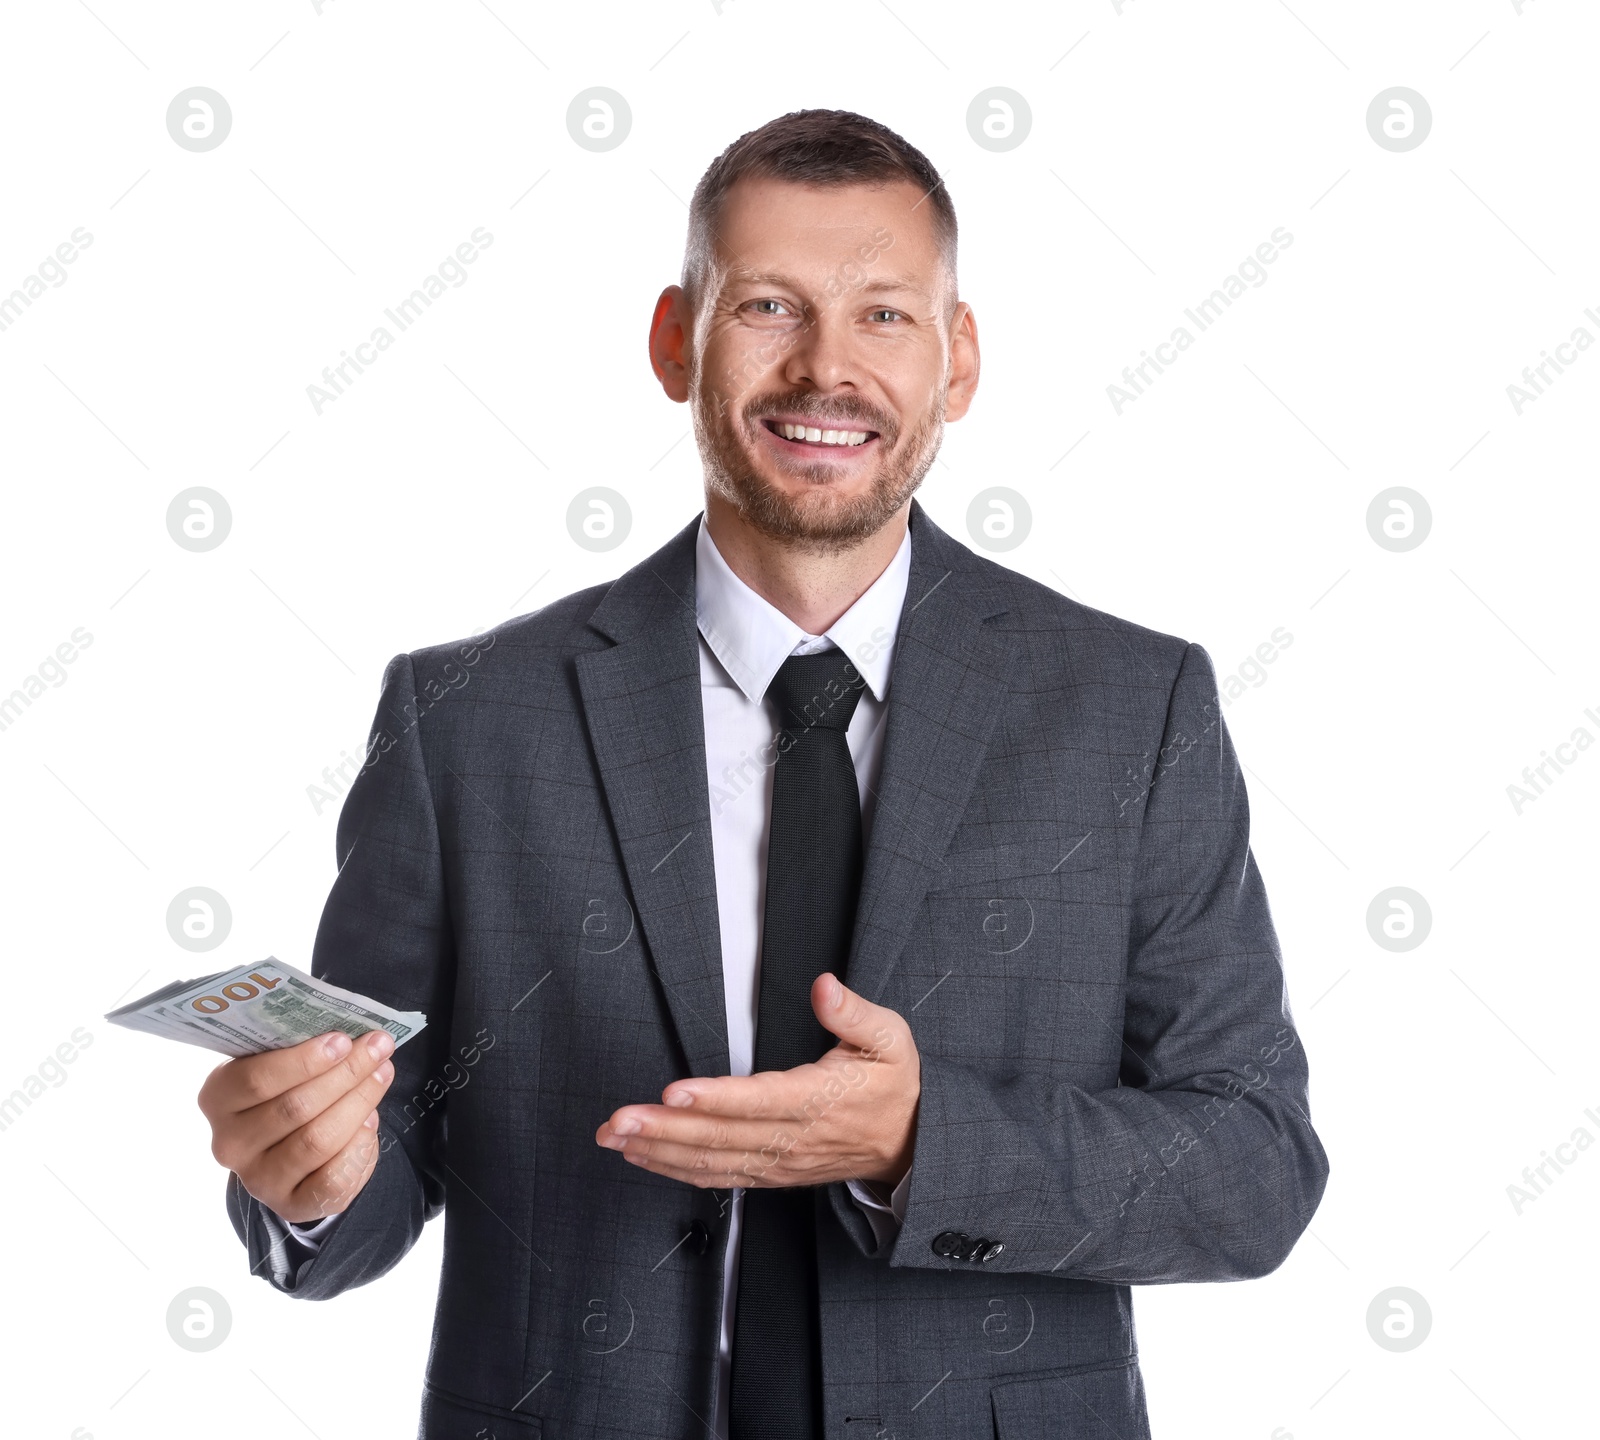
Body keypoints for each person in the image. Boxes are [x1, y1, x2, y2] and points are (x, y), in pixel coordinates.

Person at [199, 109, 1329, 1439]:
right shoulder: (468, 722)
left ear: (959, 362)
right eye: (770, 307)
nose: (826, 369)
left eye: (887, 316)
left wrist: (922, 1143)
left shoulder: (1134, 710)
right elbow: (380, 1161)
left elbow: (1253, 1171)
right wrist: (309, 1174)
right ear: (676, 339)